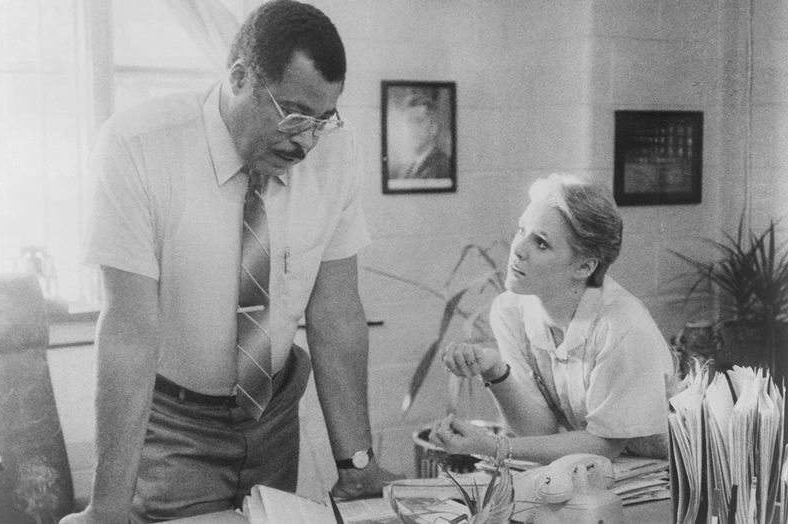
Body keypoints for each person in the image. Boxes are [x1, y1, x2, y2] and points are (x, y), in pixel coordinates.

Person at [61, 1, 385, 522]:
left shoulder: (336, 152)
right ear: (239, 78)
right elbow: (129, 330)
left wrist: (357, 465)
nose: (306, 141)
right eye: (294, 114)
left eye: (322, 120)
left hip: (273, 412)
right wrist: (107, 509)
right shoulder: (136, 146)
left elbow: (337, 313)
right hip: (175, 425)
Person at [430, 173, 677, 464]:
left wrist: (494, 446)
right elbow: (539, 430)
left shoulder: (623, 327)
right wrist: (495, 372)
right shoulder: (510, 311)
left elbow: (605, 445)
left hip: (672, 472)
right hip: (609, 473)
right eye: (522, 230)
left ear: (584, 267)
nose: (518, 250)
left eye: (541, 243)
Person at [387, 86, 451, 180]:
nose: (412, 128)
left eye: (418, 121)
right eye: (409, 122)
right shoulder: (407, 169)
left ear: (433, 128)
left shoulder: (445, 167)